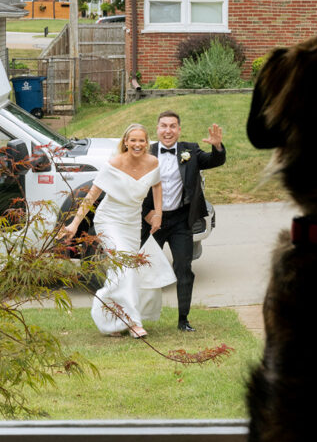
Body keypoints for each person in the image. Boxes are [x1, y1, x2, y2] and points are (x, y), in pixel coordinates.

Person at [61, 123, 174, 339]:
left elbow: (157, 185)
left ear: (147, 142)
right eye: (133, 140)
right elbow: (92, 195)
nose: (137, 144)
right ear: (125, 142)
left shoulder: (152, 163)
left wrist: (158, 212)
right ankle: (133, 323)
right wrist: (74, 224)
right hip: (109, 221)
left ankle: (112, 320)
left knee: (119, 272)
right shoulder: (113, 164)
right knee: (126, 268)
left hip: (132, 224)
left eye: (142, 140)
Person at [142, 110, 226, 332]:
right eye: (164, 126)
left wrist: (217, 147)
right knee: (142, 267)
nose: (168, 130)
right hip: (152, 221)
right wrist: (146, 213)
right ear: (157, 129)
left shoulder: (190, 150)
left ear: (179, 130)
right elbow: (134, 188)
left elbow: (214, 161)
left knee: (184, 269)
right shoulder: (146, 152)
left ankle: (183, 320)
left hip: (181, 220)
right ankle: (137, 317)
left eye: (172, 126)